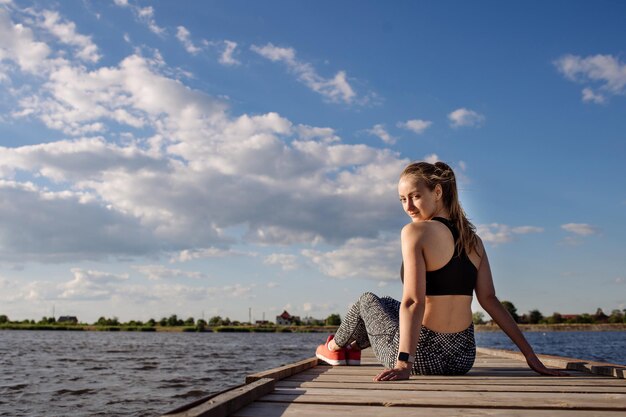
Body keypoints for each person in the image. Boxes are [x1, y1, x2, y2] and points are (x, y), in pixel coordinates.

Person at [315, 161, 567, 381]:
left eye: (414, 196)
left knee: (367, 301)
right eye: (403, 199)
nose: (408, 207)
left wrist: (404, 363)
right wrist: (530, 356)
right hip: (462, 359)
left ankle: (334, 347)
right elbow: (489, 300)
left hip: (422, 357)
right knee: (388, 304)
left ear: (437, 192)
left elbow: (413, 301)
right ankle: (354, 346)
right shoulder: (473, 241)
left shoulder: (415, 232)